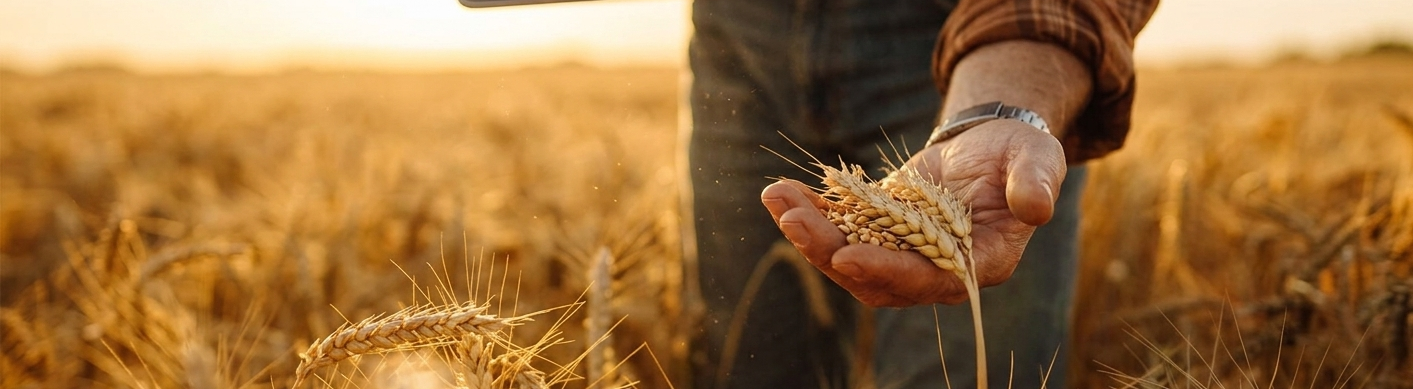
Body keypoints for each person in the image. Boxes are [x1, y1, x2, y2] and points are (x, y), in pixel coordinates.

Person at [682, 0, 1159, 388]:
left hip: (963, 29)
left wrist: (999, 102)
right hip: (736, 31)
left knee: (963, 374)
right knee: (747, 367)